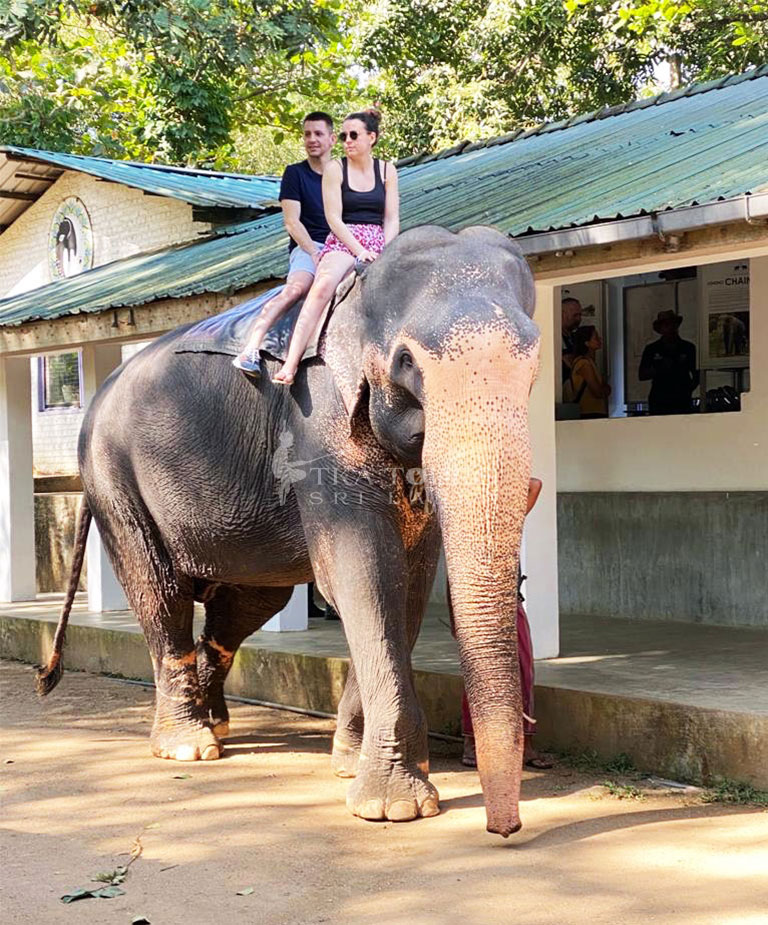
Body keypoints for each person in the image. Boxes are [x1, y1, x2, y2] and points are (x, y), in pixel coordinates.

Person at [273, 109, 399, 385]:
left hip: (378, 238)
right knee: (321, 288)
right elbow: (333, 218)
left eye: (354, 135)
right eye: (343, 136)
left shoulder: (387, 170)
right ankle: (291, 363)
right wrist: (359, 251)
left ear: (372, 138)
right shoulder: (335, 169)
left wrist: (388, 250)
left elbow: (391, 217)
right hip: (344, 239)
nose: (347, 141)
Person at [459, 478, 553, 771]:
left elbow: (534, 484)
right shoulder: (462, 524)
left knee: (522, 670)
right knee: (478, 672)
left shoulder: (508, 520)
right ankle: (472, 742)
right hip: (476, 604)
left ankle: (525, 743)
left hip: (510, 600)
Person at [233, 112, 337, 376]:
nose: (311, 139)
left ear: (332, 139)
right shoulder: (295, 174)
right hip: (308, 246)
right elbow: (292, 222)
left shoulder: (343, 176)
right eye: (307, 134)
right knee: (296, 289)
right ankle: (251, 349)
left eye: (318, 134)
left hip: (338, 248)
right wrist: (314, 253)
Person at [638, 310, 699, 415]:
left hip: (681, 400)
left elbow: (697, 374)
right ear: (660, 329)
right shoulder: (652, 349)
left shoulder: (688, 348)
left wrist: (687, 390)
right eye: (666, 325)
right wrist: (659, 369)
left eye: (672, 324)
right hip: (659, 399)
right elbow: (641, 375)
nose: (670, 328)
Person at [571, 325, 610, 418]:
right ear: (587, 343)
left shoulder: (591, 362)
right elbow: (597, 391)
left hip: (595, 411)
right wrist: (605, 390)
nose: (599, 339)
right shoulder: (584, 364)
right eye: (595, 337)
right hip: (588, 412)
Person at [561, 297, 582, 388]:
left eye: (580, 315)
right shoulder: (553, 338)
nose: (579, 319)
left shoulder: (576, 337)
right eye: (575, 315)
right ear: (562, 314)